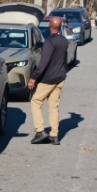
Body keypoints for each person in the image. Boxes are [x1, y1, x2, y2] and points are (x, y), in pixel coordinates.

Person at [28, 16, 69, 146]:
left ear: (50, 26)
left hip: (48, 79)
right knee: (53, 106)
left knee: (36, 101)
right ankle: (54, 135)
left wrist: (33, 78)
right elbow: (64, 59)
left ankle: (40, 131)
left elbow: (43, 63)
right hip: (60, 78)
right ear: (60, 27)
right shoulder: (64, 41)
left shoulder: (49, 42)